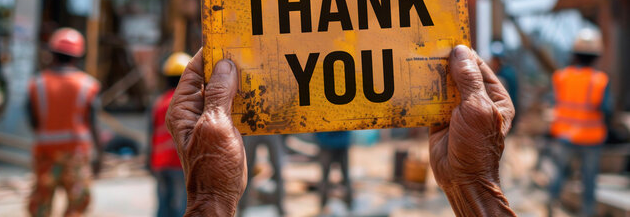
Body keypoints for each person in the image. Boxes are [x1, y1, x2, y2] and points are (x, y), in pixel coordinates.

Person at [165, 44, 516, 216]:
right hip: (333, 142)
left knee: (337, 175)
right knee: (333, 174)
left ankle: (336, 205)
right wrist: (475, 187)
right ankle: (330, 205)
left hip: (335, 143)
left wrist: (209, 202)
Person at [26, 28, 103, 217]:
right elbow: (93, 124)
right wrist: (99, 156)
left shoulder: (37, 83)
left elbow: (33, 121)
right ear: (77, 56)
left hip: (45, 155)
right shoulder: (87, 85)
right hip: (75, 156)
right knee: (77, 205)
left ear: (52, 54)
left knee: (41, 205)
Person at [547, 28, 611, 217]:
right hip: (591, 138)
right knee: (589, 180)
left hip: (564, 135)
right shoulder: (600, 80)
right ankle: (587, 212)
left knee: (559, 174)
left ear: (575, 54)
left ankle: (551, 207)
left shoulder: (561, 76)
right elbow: (606, 109)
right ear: (596, 56)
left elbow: (554, 102)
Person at [148, 52, 192, 217]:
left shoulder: (159, 103)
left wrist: (149, 161)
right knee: (181, 208)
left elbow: (151, 134)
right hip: (179, 163)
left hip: (160, 162)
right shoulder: (189, 103)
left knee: (163, 206)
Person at [239, 134, 285, 216]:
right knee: (246, 170)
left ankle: (280, 207)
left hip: (272, 129)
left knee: (277, 169)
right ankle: (241, 208)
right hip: (252, 129)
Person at [315, 131, 352, 211]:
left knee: (327, 177)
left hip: (335, 142)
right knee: (325, 178)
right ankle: (323, 207)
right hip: (329, 142)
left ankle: (349, 206)